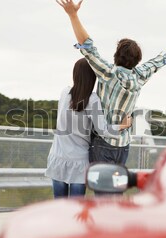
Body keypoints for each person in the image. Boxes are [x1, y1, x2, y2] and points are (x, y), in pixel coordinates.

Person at [56, 0, 166, 165]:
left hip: (103, 142)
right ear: (137, 60)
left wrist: (73, 15)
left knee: (101, 188)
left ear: (116, 56)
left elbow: (88, 47)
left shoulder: (108, 73)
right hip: (123, 145)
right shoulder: (140, 76)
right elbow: (160, 60)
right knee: (116, 186)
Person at [45, 58, 132, 198]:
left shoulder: (64, 92)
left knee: (60, 207)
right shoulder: (93, 100)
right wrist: (122, 125)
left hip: (58, 158)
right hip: (79, 163)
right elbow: (102, 130)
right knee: (76, 209)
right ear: (93, 77)